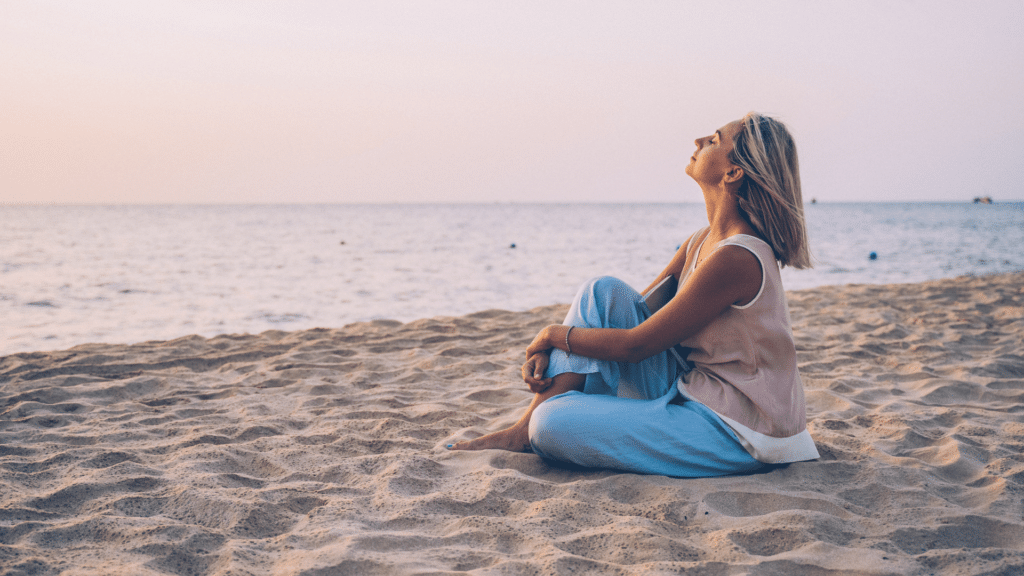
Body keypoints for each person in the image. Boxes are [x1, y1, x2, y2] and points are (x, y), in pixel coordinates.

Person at [448, 112, 820, 477]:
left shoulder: (738, 257)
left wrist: (550, 336)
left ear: (733, 173)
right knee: (601, 292)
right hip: (694, 390)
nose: (699, 141)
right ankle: (521, 430)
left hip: (741, 429)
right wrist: (562, 350)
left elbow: (635, 346)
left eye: (715, 140)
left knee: (550, 424)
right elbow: (625, 314)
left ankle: (535, 426)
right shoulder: (700, 242)